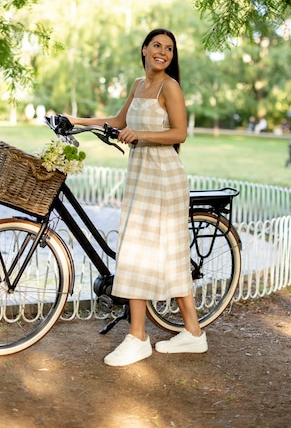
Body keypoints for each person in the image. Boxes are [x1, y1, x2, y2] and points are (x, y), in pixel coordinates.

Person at [66, 28, 207, 367]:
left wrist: (140, 134)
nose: (163, 52)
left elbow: (180, 133)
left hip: (163, 177)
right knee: (157, 253)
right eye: (157, 45)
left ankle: (138, 337)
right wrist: (78, 121)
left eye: (169, 48)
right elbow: (117, 121)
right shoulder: (138, 85)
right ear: (144, 50)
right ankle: (193, 334)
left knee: (139, 251)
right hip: (142, 174)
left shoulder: (169, 87)